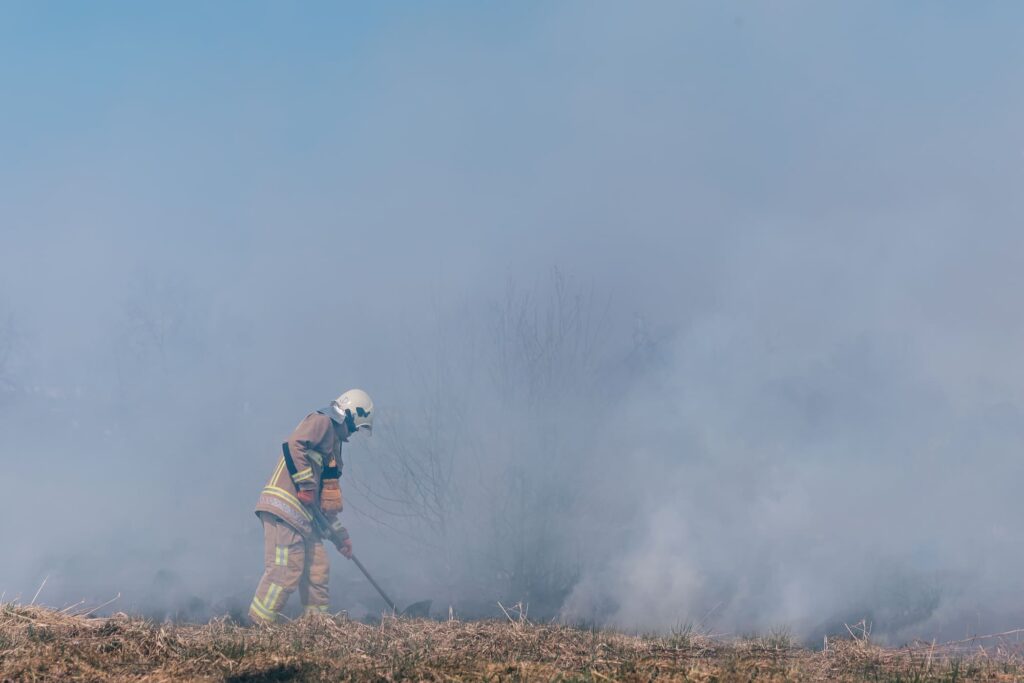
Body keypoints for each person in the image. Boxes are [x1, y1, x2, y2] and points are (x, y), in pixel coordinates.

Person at [248, 389, 373, 623]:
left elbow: (323, 504)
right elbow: (293, 445)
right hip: (284, 510)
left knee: (318, 569)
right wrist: (306, 485)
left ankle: (316, 628)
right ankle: (258, 625)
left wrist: (340, 537)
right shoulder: (322, 421)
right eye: (356, 427)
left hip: (305, 517)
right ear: (349, 414)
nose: (353, 433)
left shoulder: (334, 448)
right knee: (285, 572)